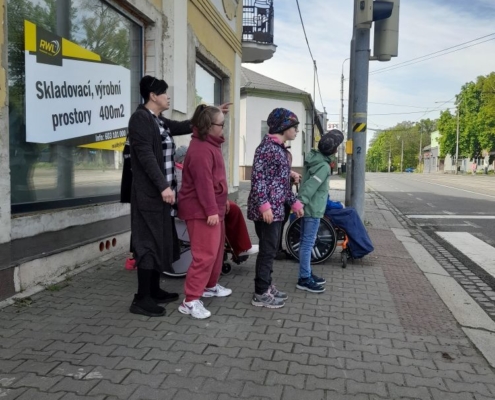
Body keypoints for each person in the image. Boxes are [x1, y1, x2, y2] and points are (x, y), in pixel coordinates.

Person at [128, 75, 193, 317]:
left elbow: (183, 126)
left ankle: (154, 291)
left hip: (162, 195)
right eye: (164, 93)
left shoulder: (159, 121)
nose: (168, 97)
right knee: (148, 243)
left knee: (160, 241)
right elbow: (145, 156)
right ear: (153, 96)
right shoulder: (140, 119)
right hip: (150, 194)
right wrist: (163, 187)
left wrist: (210, 114)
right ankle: (141, 298)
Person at [177, 103, 232, 319]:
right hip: (201, 212)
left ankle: (208, 286)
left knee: (216, 252)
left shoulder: (210, 143)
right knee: (204, 255)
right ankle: (190, 300)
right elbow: (204, 184)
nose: (223, 128)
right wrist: (211, 210)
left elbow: (216, 180)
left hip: (212, 209)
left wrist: (222, 201)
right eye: (221, 124)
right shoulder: (201, 149)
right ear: (209, 126)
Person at [248, 108, 304, 309]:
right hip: (267, 212)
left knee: (270, 250)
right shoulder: (266, 149)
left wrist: (294, 203)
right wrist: (265, 206)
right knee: (267, 250)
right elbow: (258, 179)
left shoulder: (279, 149)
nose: (297, 131)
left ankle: (266, 285)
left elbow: (282, 184)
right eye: (294, 127)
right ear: (284, 127)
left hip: (276, 210)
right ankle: (261, 293)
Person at [174, 146, 258, 259]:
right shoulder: (182, 172)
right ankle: (241, 246)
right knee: (233, 209)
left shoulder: (184, 170)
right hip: (195, 206)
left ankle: (239, 245)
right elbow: (199, 191)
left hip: (199, 202)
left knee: (232, 208)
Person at [296, 129, 344, 293]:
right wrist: (301, 203)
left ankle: (306, 273)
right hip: (312, 209)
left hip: (310, 208)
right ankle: (304, 279)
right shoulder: (323, 166)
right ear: (334, 150)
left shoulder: (314, 160)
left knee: (305, 242)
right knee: (308, 244)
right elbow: (310, 187)